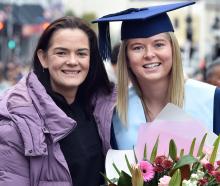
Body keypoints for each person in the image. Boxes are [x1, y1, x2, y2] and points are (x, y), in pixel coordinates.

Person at [0, 16, 116, 185]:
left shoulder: (101, 107)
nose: (72, 61)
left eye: (81, 53)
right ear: (43, 58)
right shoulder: (15, 122)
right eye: (61, 53)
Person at [93, 1, 220, 150]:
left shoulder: (212, 99)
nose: (149, 54)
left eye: (159, 44)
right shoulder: (115, 112)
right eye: (137, 47)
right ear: (126, 58)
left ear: (173, 49)